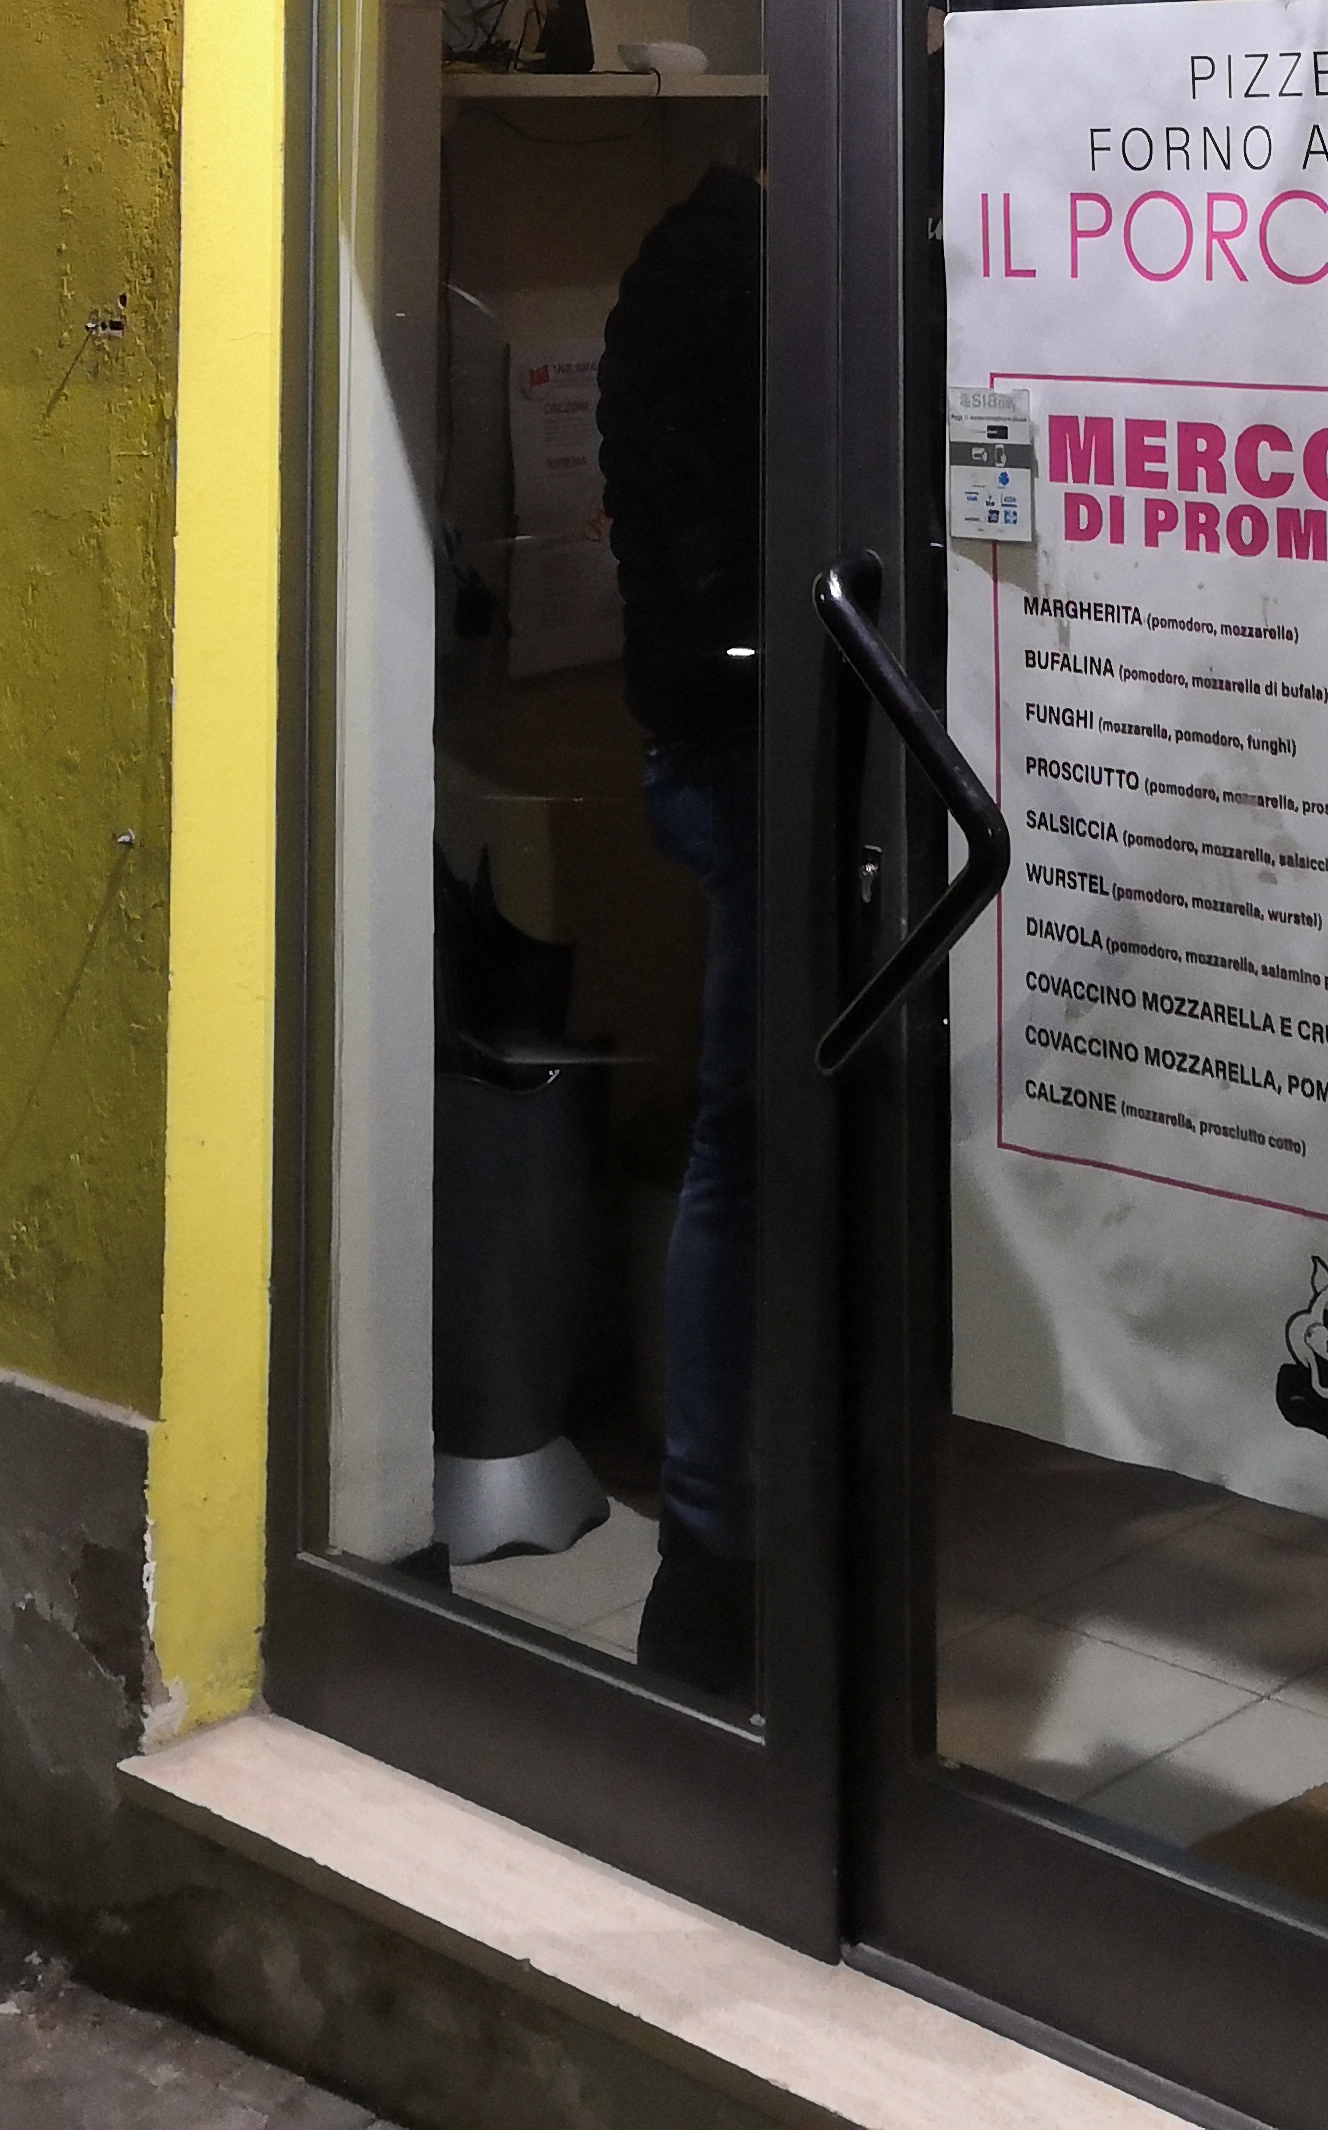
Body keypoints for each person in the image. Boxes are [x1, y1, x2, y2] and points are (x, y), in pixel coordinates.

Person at [595, 162, 764, 1699]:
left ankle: (732, 1551)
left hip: (732, 750)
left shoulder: (707, 257)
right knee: (754, 1146)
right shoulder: (723, 269)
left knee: (760, 1144)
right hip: (752, 761)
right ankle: (714, 1567)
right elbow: (726, 578)